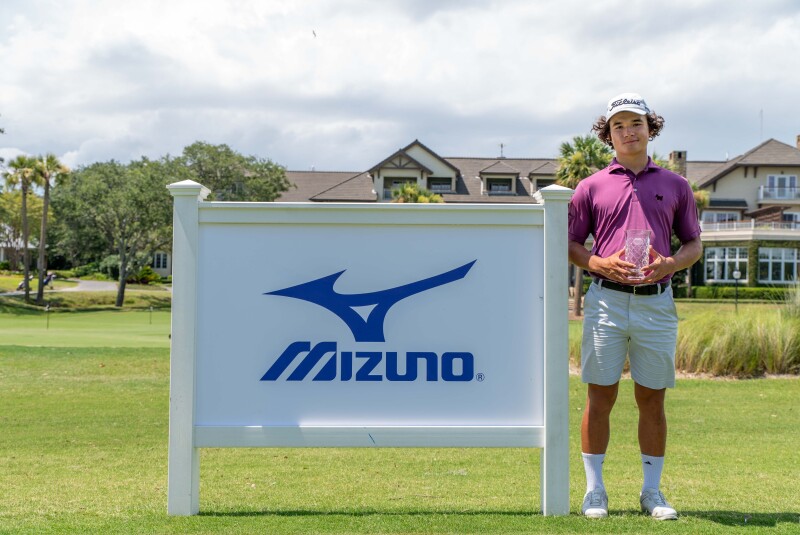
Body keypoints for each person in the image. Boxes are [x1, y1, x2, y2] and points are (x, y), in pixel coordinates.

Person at [567, 92, 702, 520]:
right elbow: (569, 243)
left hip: (656, 303)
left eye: (636, 123)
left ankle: (652, 491)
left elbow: (694, 244)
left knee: (652, 398)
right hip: (606, 300)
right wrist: (597, 262)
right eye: (619, 125)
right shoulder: (590, 186)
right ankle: (594, 492)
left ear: (650, 129)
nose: (628, 132)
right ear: (608, 134)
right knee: (600, 395)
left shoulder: (676, 185)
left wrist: (671, 263)